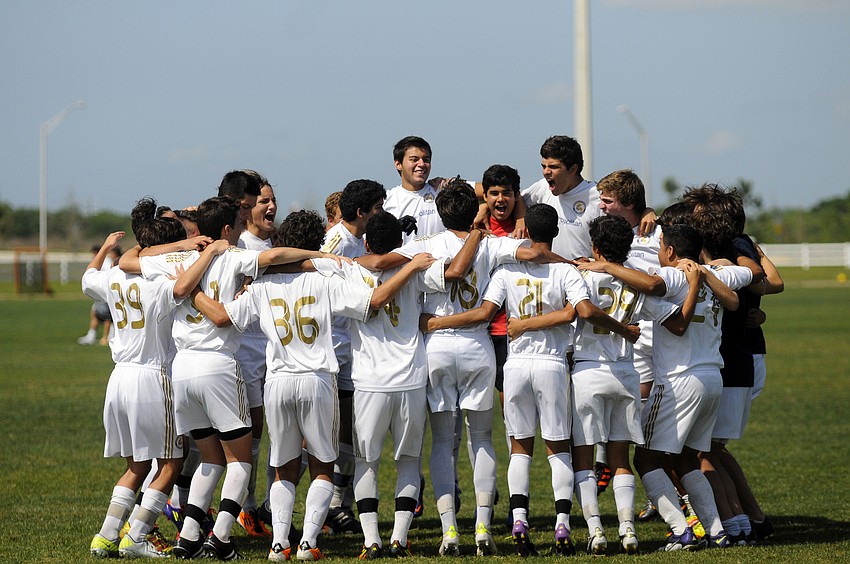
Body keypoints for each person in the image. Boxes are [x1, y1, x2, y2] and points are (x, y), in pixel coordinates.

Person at [190, 209, 437, 561]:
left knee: (283, 467)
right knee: (322, 465)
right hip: (318, 378)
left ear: (283, 244)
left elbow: (224, 317)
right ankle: (307, 543)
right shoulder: (327, 275)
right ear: (315, 245)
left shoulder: (261, 283)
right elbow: (371, 303)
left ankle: (278, 544)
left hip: (277, 381)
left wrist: (190, 290)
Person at [123, 196, 338, 560]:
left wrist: (182, 245)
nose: (242, 231)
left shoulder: (177, 259)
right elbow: (271, 257)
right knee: (241, 460)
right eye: (238, 225)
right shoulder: (232, 255)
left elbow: (129, 260)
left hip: (182, 370)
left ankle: (188, 536)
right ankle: (220, 536)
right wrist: (321, 255)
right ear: (226, 229)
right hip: (217, 366)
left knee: (210, 459)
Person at [420, 204, 641, 556]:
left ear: (525, 234)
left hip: (516, 365)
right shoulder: (567, 272)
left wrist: (437, 323)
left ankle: (519, 517)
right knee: (558, 450)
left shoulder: (507, 271)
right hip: (552, 364)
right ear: (555, 234)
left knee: (520, 447)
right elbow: (574, 312)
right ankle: (563, 524)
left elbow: (484, 313)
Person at [86, 198, 230, 559]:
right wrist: (206, 255)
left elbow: (89, 279)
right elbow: (182, 290)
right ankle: (136, 535)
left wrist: (105, 247)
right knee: (171, 463)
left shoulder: (115, 274)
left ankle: (105, 536)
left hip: (118, 377)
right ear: (164, 248)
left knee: (137, 465)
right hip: (152, 377)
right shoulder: (158, 277)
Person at [347, 210, 479, 558]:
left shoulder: (351, 268)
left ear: (366, 241)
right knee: (408, 460)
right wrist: (475, 231)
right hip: (409, 377)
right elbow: (455, 272)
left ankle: (371, 539)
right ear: (399, 242)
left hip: (369, 381)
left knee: (366, 462)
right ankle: (400, 539)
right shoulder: (416, 265)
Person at [319, 179, 386, 535]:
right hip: (331, 347)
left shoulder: (354, 240)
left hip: (348, 347)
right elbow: (317, 273)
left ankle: (336, 503)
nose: (381, 214)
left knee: (348, 429)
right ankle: (320, 504)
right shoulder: (336, 241)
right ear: (361, 212)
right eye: (377, 208)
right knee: (324, 434)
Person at [233, 171, 278, 538]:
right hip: (246, 354)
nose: (271, 206)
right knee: (253, 434)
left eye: (272, 200)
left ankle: (264, 505)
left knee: (280, 435)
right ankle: (246, 507)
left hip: (277, 353)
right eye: (263, 201)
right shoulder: (239, 247)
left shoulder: (276, 244)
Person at [78, 244, 121, 346]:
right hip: (100, 294)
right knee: (95, 314)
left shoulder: (106, 262)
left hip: (105, 293)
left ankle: (107, 337)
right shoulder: (103, 261)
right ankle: (92, 335)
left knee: (107, 317)